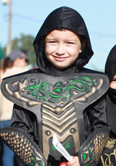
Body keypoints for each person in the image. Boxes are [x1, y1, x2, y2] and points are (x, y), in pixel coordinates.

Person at [0, 6, 109, 166]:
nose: (60, 50)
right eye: (52, 42)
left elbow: (100, 127)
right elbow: (20, 129)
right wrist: (35, 161)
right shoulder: (26, 85)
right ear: (43, 42)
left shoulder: (94, 84)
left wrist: (83, 160)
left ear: (82, 45)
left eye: (69, 43)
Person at [0, 50, 28, 166]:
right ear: (17, 60)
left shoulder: (2, 74)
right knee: (24, 155)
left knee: (7, 153)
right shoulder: (25, 74)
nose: (25, 62)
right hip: (20, 120)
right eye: (24, 59)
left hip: (3, 120)